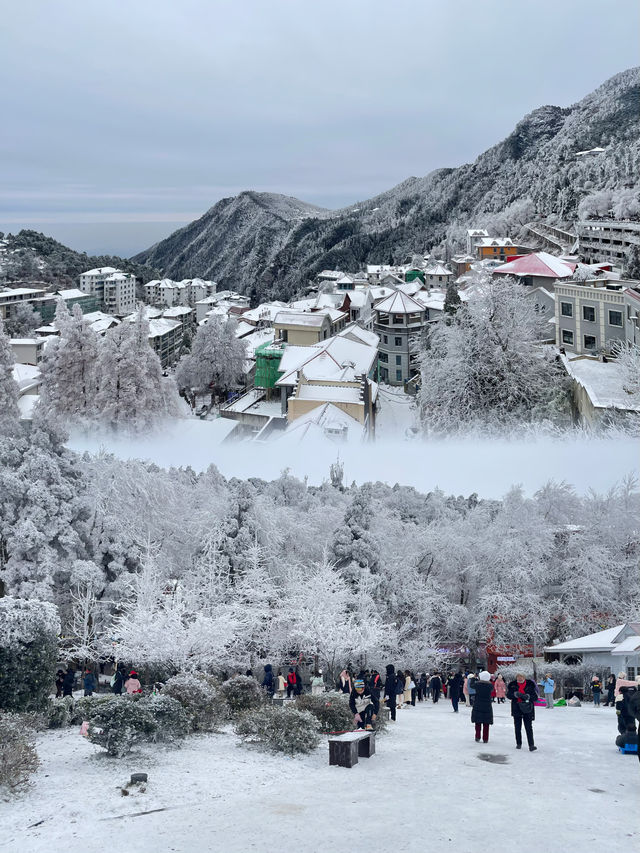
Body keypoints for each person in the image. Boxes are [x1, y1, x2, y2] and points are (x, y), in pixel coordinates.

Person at [507, 673, 538, 751]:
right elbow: (508, 695)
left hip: (527, 708)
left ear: (524, 677)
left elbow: (535, 697)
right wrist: (514, 695)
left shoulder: (530, 685)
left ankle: (531, 745)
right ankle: (519, 743)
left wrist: (528, 696)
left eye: (521, 677)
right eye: (518, 677)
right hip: (516, 708)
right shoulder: (512, 685)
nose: (519, 678)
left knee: (528, 727)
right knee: (517, 727)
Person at [472, 671, 494, 743]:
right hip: (487, 706)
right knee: (486, 723)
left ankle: (477, 736)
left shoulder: (477, 685)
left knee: (478, 723)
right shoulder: (490, 686)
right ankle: (485, 738)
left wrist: (473, 678)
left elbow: (471, 685)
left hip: (478, 704)